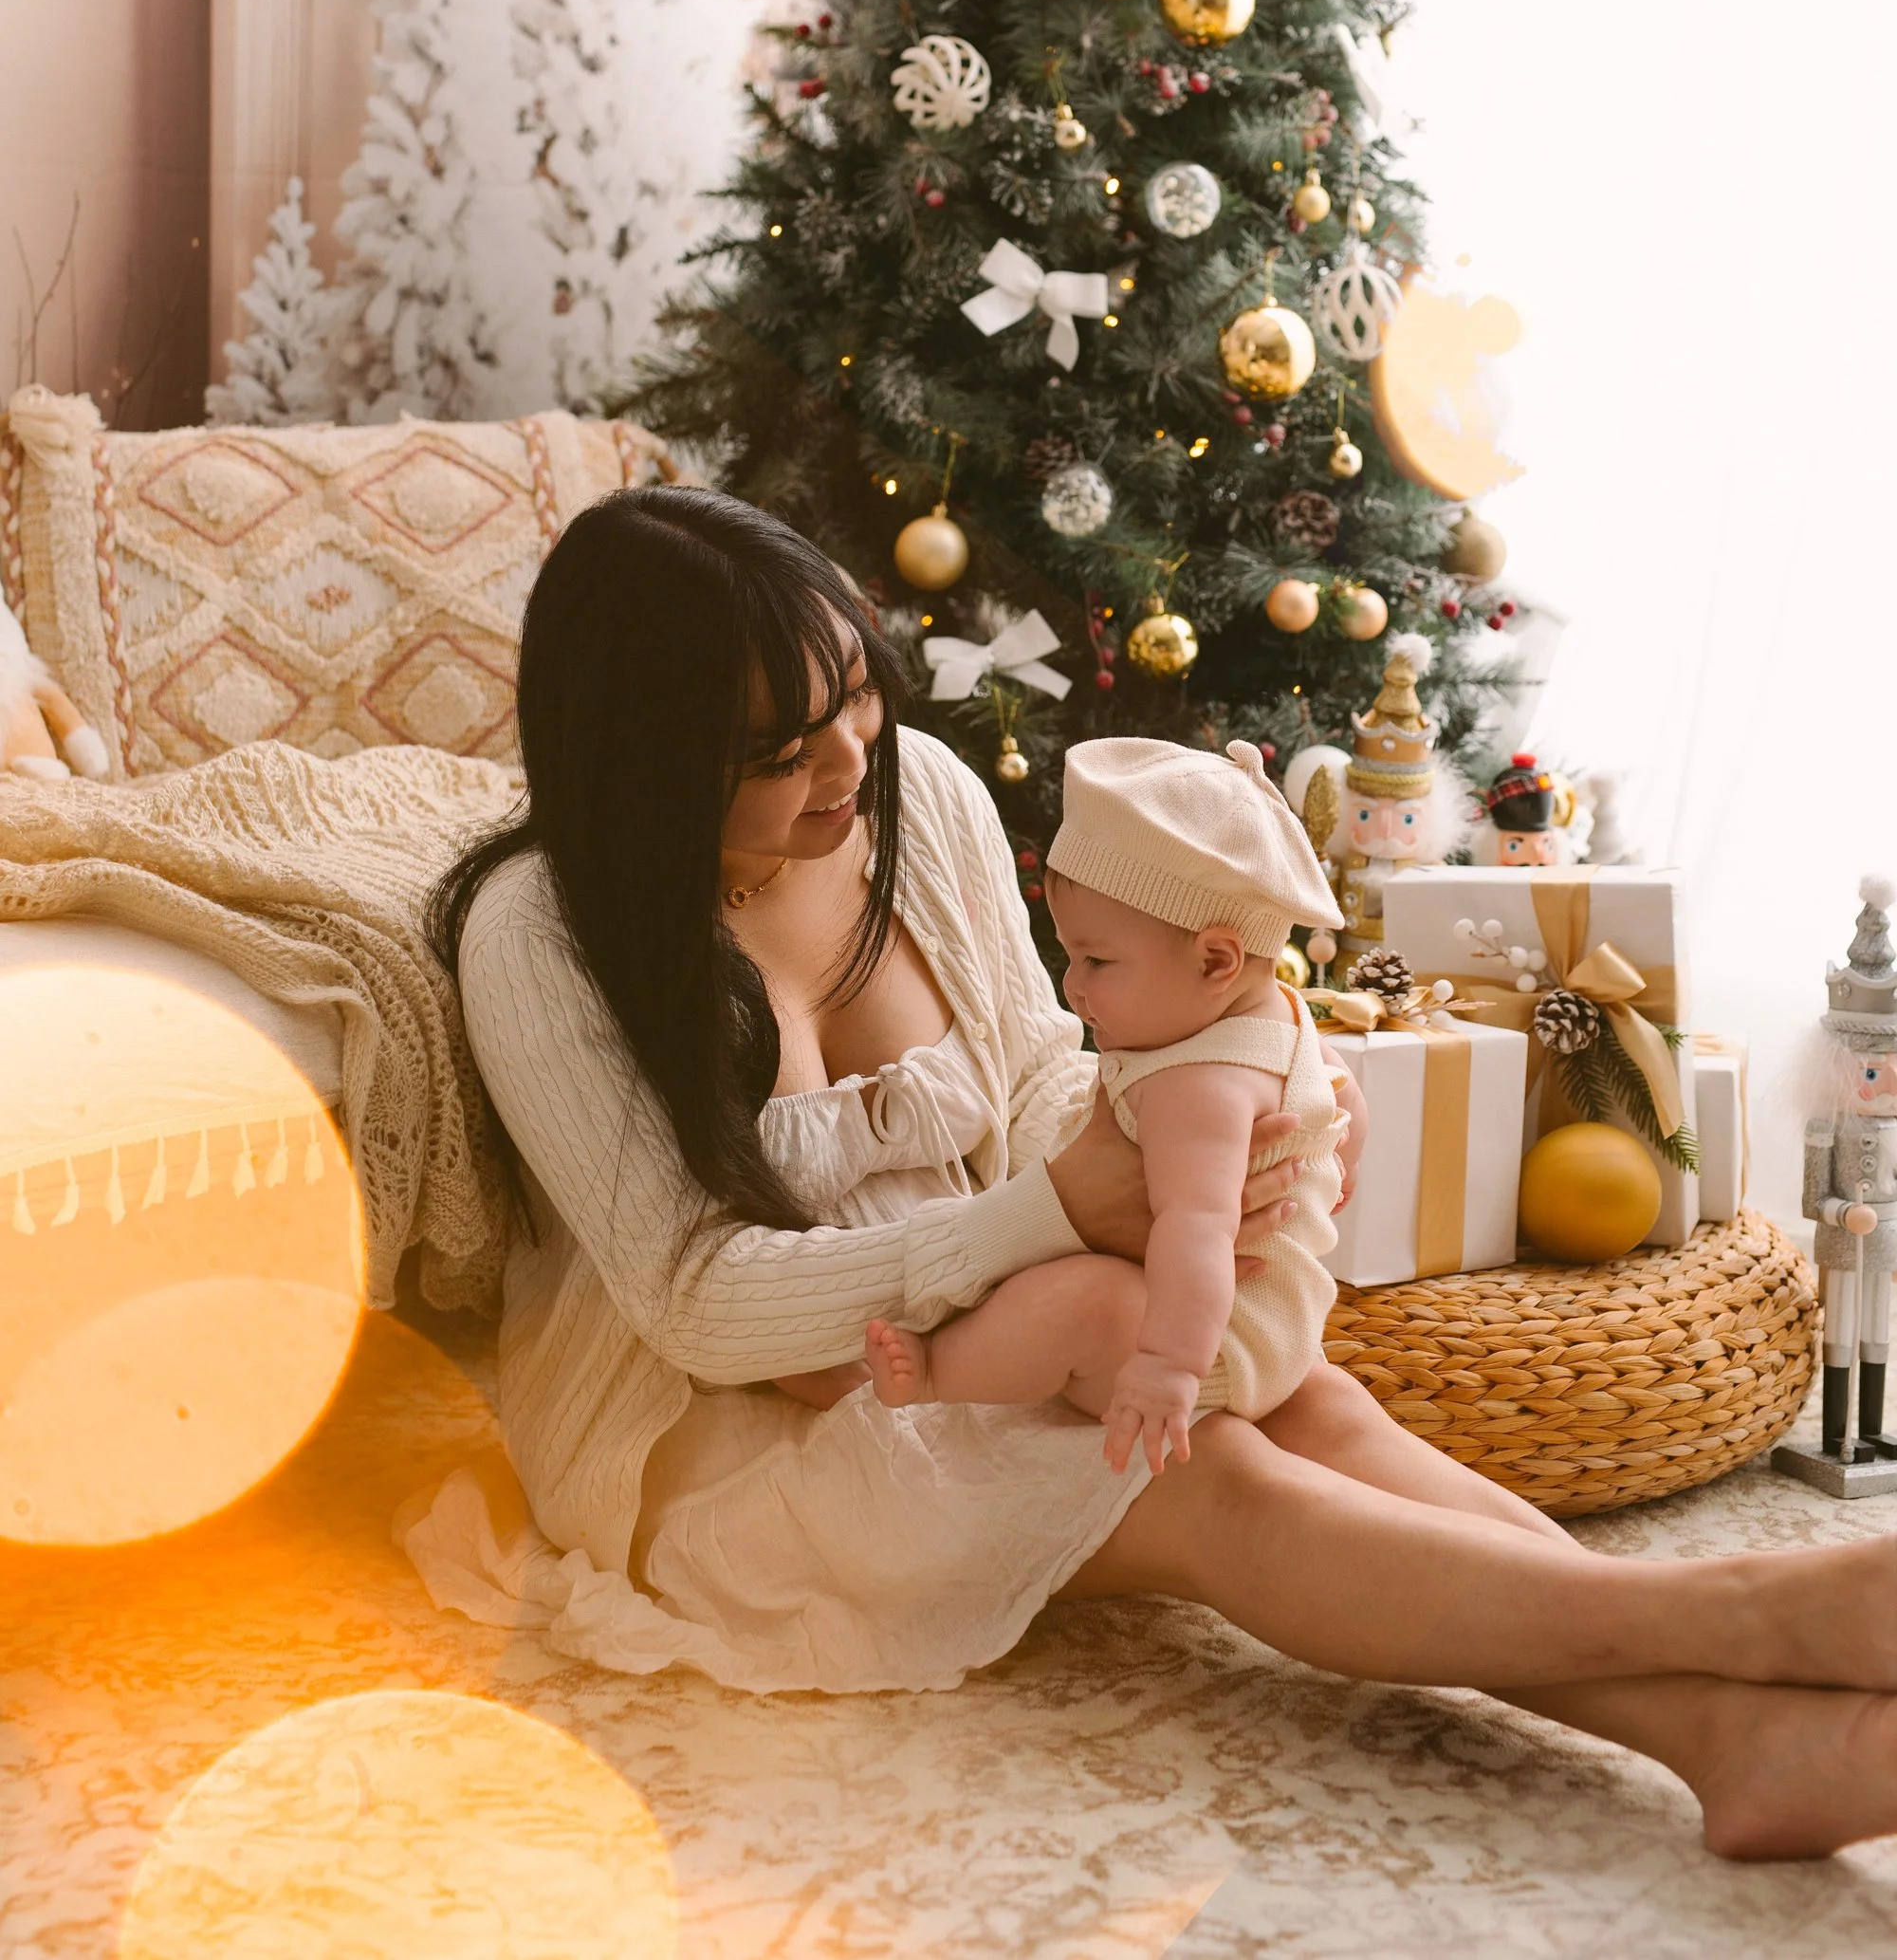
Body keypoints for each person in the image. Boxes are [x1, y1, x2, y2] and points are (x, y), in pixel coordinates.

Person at [429, 486, 1897, 1861]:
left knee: (1304, 1392)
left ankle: (1723, 1733)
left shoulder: (914, 798)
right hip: (738, 1425)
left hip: (995, 1295)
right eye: (778, 756)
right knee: (1216, 1478)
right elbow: (696, 1307)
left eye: (858, 698)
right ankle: (1753, 1618)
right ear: (648, 766)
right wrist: (1059, 1212)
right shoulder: (540, 936)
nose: (847, 766)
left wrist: (1231, 1117)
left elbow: (1046, 1077)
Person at [864, 734, 1359, 1481]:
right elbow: (1343, 1105)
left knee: (1078, 1302)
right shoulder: (1276, 1015)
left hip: (1211, 1348)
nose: (1073, 987)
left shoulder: (1200, 1087)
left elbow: (1197, 1227)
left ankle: (937, 1372)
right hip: (1265, 1327)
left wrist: (1166, 1367)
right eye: (1066, 955)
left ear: (1216, 960)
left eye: (1097, 961)